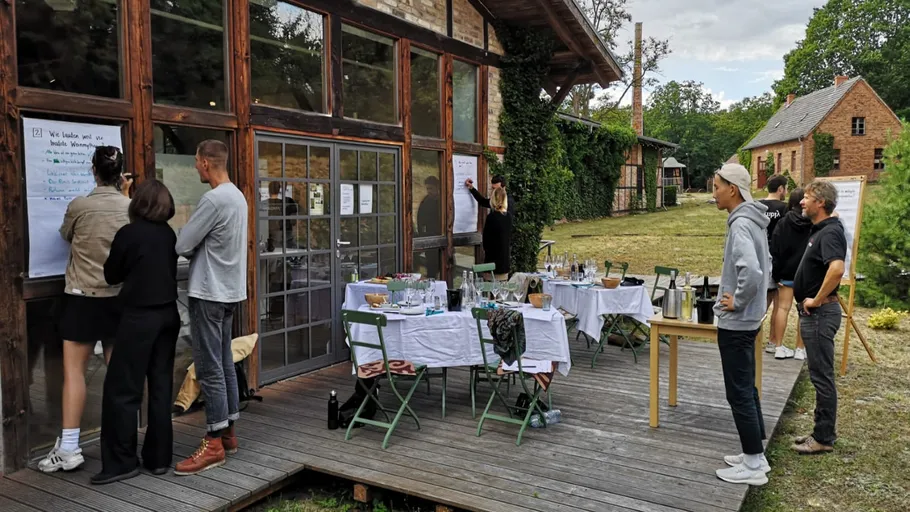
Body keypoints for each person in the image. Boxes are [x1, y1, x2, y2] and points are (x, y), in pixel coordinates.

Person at [38, 146, 131, 473]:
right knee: (118, 373)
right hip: (117, 297)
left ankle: (69, 448)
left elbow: (66, 234)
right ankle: (122, 441)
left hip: (81, 296)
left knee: (74, 373)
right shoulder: (130, 207)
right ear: (120, 174)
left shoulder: (80, 206)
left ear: (94, 170)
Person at [93, 180, 180, 484]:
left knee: (122, 389)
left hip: (139, 316)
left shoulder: (128, 234)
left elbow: (111, 274)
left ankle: (121, 461)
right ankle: (159, 459)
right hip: (169, 314)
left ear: (138, 203)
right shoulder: (169, 234)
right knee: (160, 388)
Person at [174, 140, 249, 475]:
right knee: (225, 363)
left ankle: (214, 441)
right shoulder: (238, 196)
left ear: (205, 162)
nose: (194, 167)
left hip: (208, 291)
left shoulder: (214, 199)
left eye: (195, 162)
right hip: (230, 291)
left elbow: (183, 243)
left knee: (209, 368)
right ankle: (229, 431)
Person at [711, 163, 771, 486]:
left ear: (732, 189)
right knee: (747, 387)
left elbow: (752, 271)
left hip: (737, 323)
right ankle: (755, 454)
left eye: (717, 186)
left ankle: (752, 465)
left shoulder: (741, 226)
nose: (714, 192)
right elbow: (768, 265)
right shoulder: (754, 221)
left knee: (738, 393)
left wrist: (739, 301)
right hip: (749, 320)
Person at [791, 180, 846, 455]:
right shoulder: (822, 229)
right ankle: (820, 431)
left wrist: (817, 298)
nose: (802, 201)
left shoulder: (831, 232)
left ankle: (824, 437)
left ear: (820, 202)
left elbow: (836, 269)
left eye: (807, 197)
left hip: (820, 314)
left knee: (822, 376)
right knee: (818, 375)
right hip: (815, 314)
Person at [768, 188, 811, 360]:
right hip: (805, 274)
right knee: (803, 311)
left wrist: (776, 274)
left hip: (785, 273)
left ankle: (778, 346)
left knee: (782, 309)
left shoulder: (783, 222)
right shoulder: (813, 223)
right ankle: (800, 349)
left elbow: (775, 250)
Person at [759, 175, 788, 355]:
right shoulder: (784, 209)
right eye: (785, 188)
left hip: (758, 258)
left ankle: (753, 338)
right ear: (780, 189)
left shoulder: (757, 206)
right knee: (778, 304)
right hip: (776, 260)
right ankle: (772, 342)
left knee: (760, 303)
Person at [482, 188, 511, 281]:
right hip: (504, 261)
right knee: (503, 292)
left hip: (491, 261)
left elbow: (486, 241)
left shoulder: (491, 217)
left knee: (489, 290)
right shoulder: (508, 217)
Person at [416, 175, 442, 277]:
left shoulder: (444, 200)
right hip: (430, 239)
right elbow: (420, 220)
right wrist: (423, 237)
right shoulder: (426, 201)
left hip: (442, 239)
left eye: (431, 188)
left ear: (437, 187)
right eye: (427, 189)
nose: (429, 191)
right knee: (431, 269)